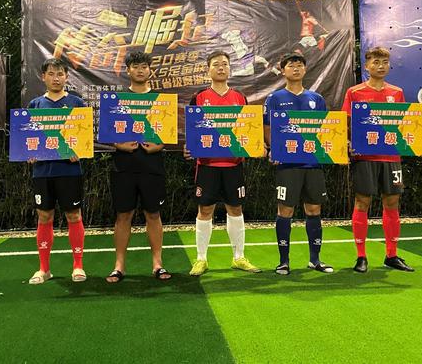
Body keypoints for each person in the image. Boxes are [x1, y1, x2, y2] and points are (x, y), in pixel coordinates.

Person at [185, 50, 261, 276]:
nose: (221, 67)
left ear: (230, 68)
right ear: (208, 69)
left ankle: (239, 257)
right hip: (207, 166)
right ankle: (201, 259)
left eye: (225, 64)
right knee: (205, 209)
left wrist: (254, 145)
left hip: (233, 165)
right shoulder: (199, 97)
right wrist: (189, 147)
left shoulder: (239, 97)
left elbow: (247, 129)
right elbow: (193, 129)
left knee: (235, 208)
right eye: (216, 64)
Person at [341, 46, 414, 273]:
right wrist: (348, 143)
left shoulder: (397, 93)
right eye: (376, 62)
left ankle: (391, 255)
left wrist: (418, 144)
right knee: (362, 202)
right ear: (367, 65)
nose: (380, 66)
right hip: (365, 157)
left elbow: (405, 125)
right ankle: (361, 256)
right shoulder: (355, 92)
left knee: (392, 202)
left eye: (384, 62)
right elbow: (346, 123)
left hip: (391, 156)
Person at [263, 53, 333, 275]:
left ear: (305, 70)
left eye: (300, 65)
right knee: (285, 210)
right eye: (291, 65)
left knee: (314, 209)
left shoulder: (316, 98)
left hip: (313, 164)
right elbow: (267, 127)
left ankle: (315, 260)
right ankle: (283, 261)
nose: (296, 68)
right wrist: (275, 149)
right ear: (283, 70)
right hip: (287, 165)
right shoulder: (274, 98)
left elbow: (325, 129)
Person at [105, 52, 171, 283]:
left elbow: (167, 133)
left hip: (152, 165)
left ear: (150, 70)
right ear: (128, 70)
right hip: (124, 166)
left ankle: (157, 264)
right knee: (123, 215)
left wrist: (160, 145)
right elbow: (109, 133)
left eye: (144, 66)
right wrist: (118, 145)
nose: (140, 70)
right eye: (135, 66)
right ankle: (119, 266)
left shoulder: (161, 100)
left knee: (153, 214)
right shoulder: (117, 100)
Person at [27, 58, 87, 284]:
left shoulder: (76, 103)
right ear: (43, 77)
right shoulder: (35, 105)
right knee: (44, 216)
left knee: (74, 215)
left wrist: (78, 151)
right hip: (42, 172)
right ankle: (44, 269)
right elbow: (28, 138)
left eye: (60, 74)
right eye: (51, 74)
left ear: (66, 77)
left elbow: (83, 138)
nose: (56, 78)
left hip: (69, 171)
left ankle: (78, 266)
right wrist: (29, 152)